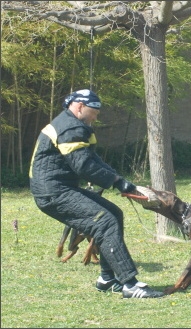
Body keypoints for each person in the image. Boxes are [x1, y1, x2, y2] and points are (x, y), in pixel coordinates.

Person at [29, 89, 165, 298]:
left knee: (114, 214)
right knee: (105, 222)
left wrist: (121, 181)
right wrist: (117, 182)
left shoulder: (75, 124)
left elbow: (93, 160)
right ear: (80, 106)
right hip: (53, 193)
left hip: (62, 188)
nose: (96, 116)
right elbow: (83, 166)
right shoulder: (70, 127)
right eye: (94, 111)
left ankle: (107, 279)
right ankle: (129, 284)